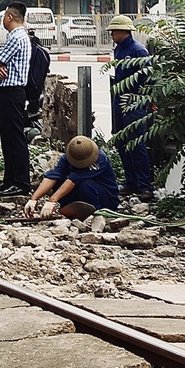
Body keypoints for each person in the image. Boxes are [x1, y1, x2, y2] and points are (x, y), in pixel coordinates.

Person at [0, 6, 36, 196]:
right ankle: (9, 180)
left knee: (15, 138)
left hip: (12, 93)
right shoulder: (16, 36)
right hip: (9, 92)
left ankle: (21, 183)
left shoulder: (16, 37)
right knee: (8, 138)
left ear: (9, 17)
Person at [108, 15, 155, 197]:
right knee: (121, 142)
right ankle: (131, 182)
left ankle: (145, 186)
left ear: (123, 31)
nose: (111, 35)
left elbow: (148, 78)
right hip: (119, 101)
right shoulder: (118, 50)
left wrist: (148, 100)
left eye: (113, 31)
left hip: (134, 102)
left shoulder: (139, 51)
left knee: (136, 144)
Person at [28, 135, 121, 219]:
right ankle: (70, 209)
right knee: (59, 182)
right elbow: (53, 176)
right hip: (80, 193)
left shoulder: (100, 159)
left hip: (105, 197)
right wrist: (33, 199)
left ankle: (97, 213)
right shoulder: (66, 158)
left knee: (85, 185)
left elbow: (73, 179)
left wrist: (53, 200)